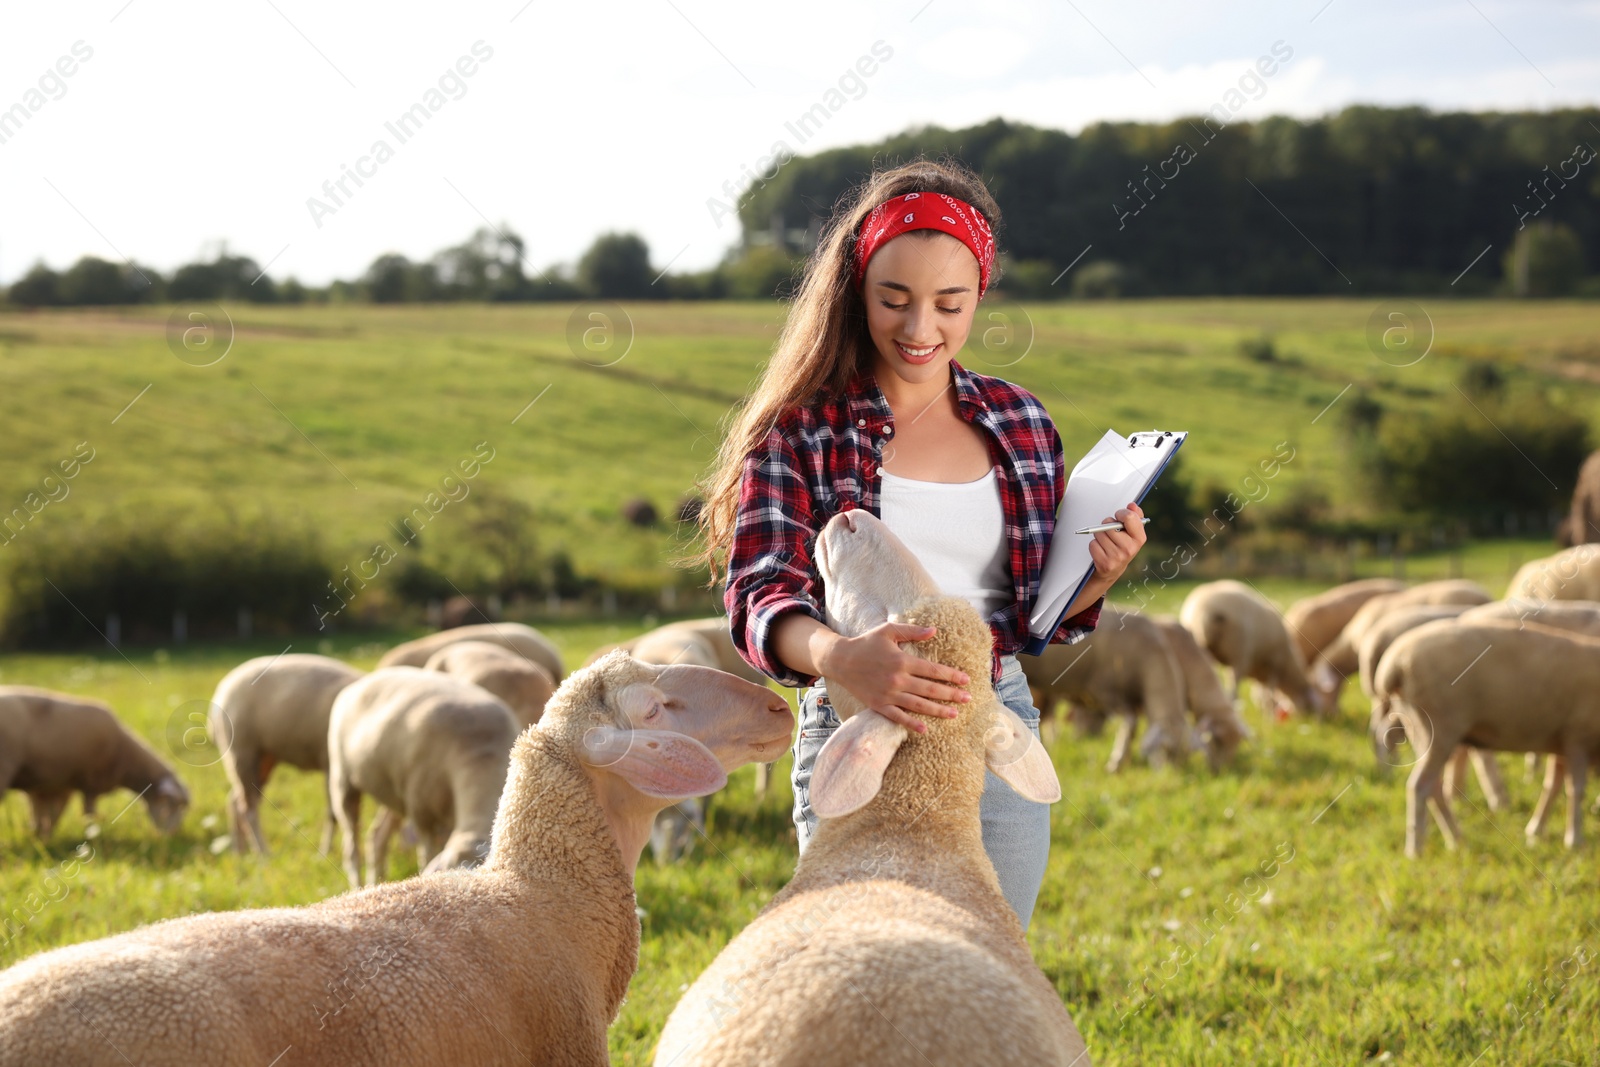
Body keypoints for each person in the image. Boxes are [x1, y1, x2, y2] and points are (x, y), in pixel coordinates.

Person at [693, 158, 1146, 928]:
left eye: (949, 303)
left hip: (990, 715)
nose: (919, 328)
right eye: (894, 299)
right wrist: (842, 657)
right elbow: (761, 593)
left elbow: (1033, 617)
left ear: (980, 297)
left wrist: (1099, 575)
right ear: (857, 289)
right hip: (856, 717)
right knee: (863, 968)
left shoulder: (1021, 422)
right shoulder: (801, 428)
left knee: (987, 966)